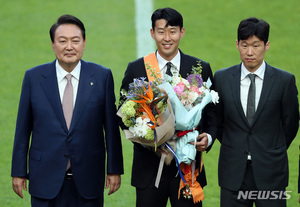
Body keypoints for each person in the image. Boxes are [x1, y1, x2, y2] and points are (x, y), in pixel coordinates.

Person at [11, 14, 124, 207]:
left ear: (84, 43)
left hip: (88, 178)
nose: (69, 47)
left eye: (75, 41)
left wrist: (114, 170)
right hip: (44, 178)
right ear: (53, 45)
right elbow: (23, 129)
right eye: (62, 41)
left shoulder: (101, 76)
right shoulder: (34, 77)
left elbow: (111, 129)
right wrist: (19, 172)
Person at [119, 7, 217, 207]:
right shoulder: (137, 68)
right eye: (161, 31)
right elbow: (123, 113)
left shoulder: (200, 68)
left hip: (188, 168)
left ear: (182, 32)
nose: (167, 37)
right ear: (152, 33)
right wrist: (145, 134)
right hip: (149, 168)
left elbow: (213, 114)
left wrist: (208, 137)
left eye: (172, 31)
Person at [214, 17, 299, 207]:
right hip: (233, 173)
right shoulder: (221, 79)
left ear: (266, 45)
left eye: (256, 45)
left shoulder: (284, 81)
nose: (249, 52)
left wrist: (270, 148)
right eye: (244, 45)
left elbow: (291, 124)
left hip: (271, 173)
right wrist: (236, 144)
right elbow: (218, 123)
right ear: (237, 44)